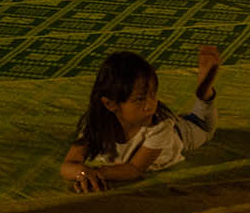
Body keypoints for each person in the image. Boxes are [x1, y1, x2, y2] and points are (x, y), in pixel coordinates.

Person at [60, 46, 221, 193]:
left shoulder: (160, 126)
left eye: (153, 95)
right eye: (139, 99)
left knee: (204, 126)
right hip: (169, 126)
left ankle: (204, 94)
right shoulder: (97, 123)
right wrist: (84, 173)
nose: (150, 105)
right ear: (110, 104)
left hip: (183, 132)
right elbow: (69, 164)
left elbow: (134, 169)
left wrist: (97, 174)